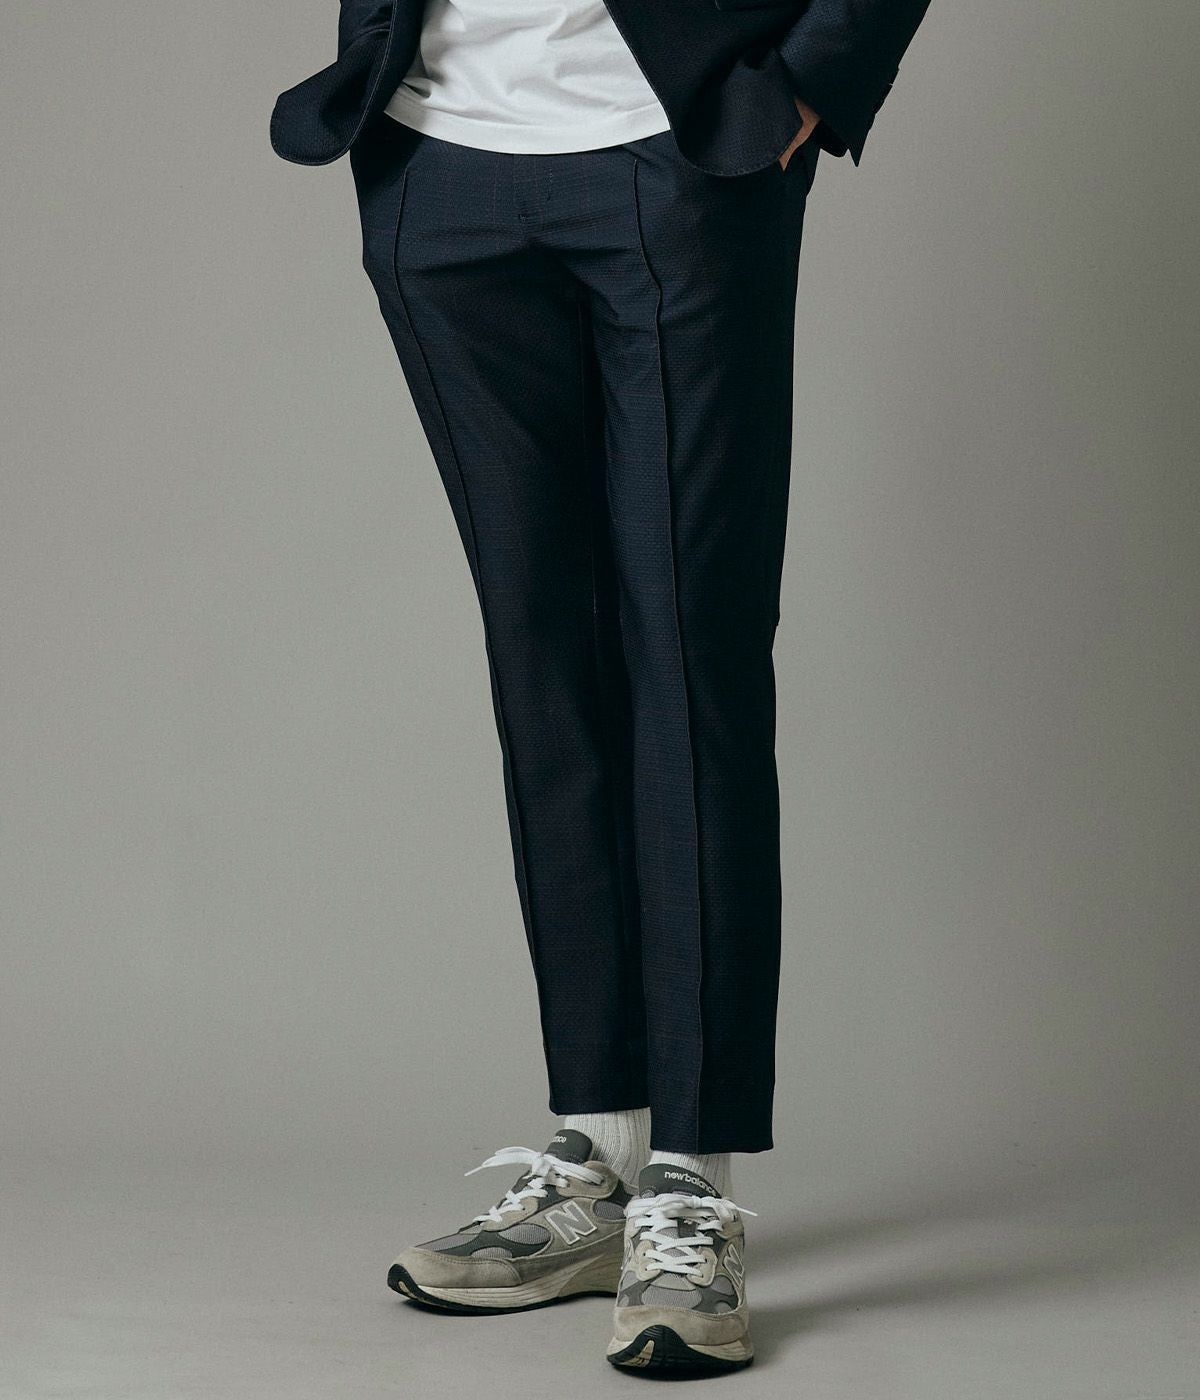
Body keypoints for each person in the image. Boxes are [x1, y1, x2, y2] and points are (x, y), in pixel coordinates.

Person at [271, 0, 932, 1376]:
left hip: (672, 148)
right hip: (436, 160)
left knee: (689, 660)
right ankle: (601, 1157)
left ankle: (692, 1184)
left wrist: (813, 81)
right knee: (545, 672)